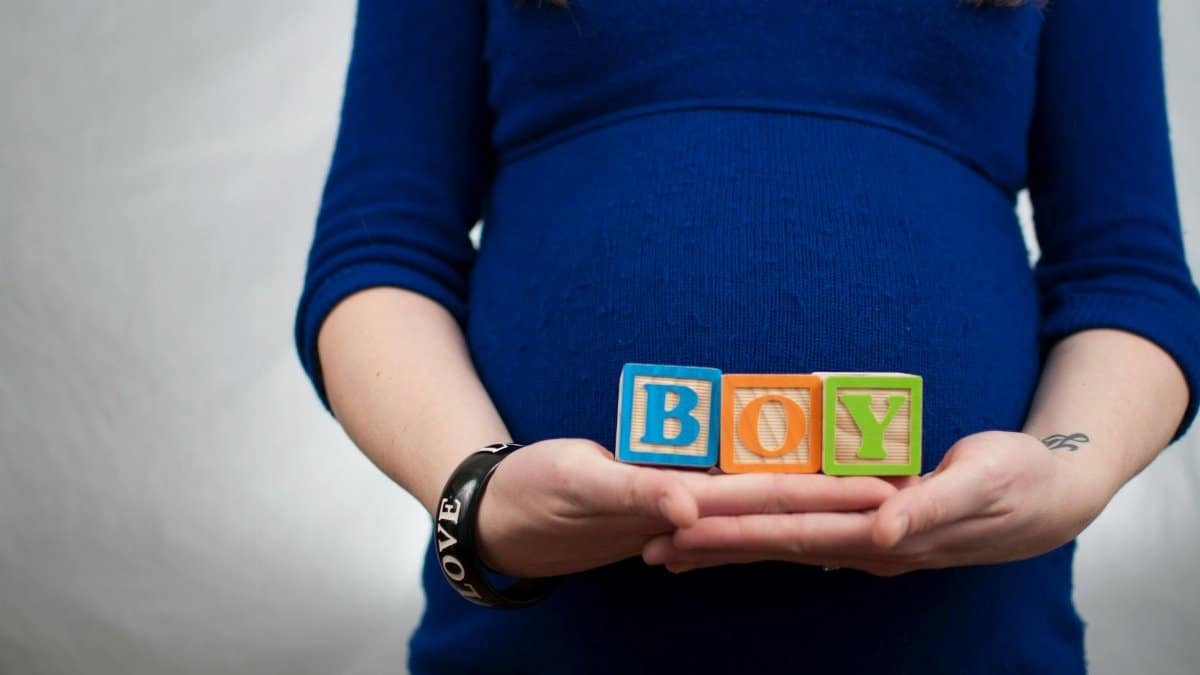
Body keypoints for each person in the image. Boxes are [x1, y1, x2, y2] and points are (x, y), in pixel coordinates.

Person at [294, 1, 1200, 672]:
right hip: (547, 643)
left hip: (966, 640)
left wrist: (1066, 469)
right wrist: (476, 496)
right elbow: (382, 253)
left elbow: (1129, 277)